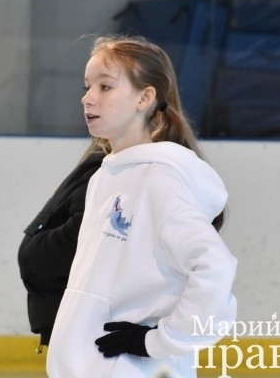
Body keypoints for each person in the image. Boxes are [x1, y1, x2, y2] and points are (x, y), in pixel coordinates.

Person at [46, 36, 237, 378]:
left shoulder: (160, 180)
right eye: (87, 86)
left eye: (105, 87)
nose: (88, 97)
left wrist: (157, 341)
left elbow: (215, 267)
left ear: (144, 98)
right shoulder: (105, 177)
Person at [18, 136, 111, 353]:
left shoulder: (106, 167)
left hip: (85, 318)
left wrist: (35, 254)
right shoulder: (101, 164)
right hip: (73, 314)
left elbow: (82, 233)